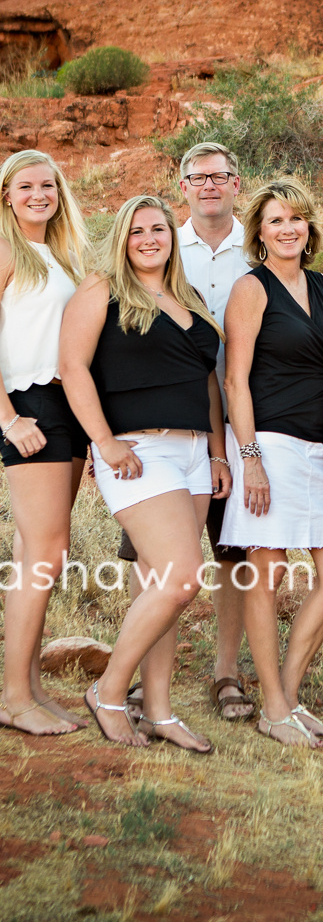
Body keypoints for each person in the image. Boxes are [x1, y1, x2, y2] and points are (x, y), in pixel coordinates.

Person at [60, 195, 229, 750]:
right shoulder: (101, 288)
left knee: (163, 586)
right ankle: (108, 692)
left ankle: (158, 709)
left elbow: (207, 380)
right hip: (139, 451)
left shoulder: (188, 295)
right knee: (183, 576)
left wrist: (218, 453)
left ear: (172, 235)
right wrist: (102, 441)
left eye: (159, 228)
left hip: (194, 454)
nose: (149, 239)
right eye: (137, 231)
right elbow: (72, 368)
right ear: (122, 239)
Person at [220, 177, 323, 747]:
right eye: (276, 220)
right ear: (258, 231)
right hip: (267, 443)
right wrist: (249, 458)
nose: (288, 229)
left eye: (297, 218)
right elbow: (235, 379)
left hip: (317, 447)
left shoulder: (322, 285)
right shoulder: (250, 289)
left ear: (310, 227)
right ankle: (273, 707)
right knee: (266, 570)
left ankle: (286, 696)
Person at [119, 142, 254, 722]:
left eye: (220, 177)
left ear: (236, 184)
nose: (209, 186)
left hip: (244, 422)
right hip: (175, 428)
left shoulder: (262, 245)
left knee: (233, 551)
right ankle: (143, 673)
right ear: (183, 186)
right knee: (150, 559)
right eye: (197, 178)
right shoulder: (162, 245)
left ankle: (227, 671)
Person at [0, 149, 88, 736]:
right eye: (26, 186)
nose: (40, 195)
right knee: (45, 553)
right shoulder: (5, 248)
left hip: (66, 408)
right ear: (7, 194)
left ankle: (28, 688)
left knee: (39, 556)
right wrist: (7, 418)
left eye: (48, 185)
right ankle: (13, 697)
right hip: (27, 409)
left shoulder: (60, 254)